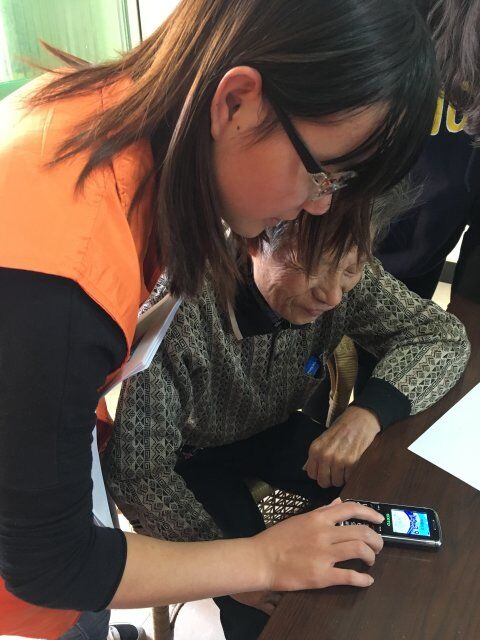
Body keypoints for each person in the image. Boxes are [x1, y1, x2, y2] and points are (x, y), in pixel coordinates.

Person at [0, 1, 438, 638]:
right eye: (323, 174)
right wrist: (263, 560)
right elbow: (49, 561)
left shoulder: (109, 121)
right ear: (237, 102)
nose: (320, 207)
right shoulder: (61, 281)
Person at [104, 223, 469, 640]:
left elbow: (442, 337)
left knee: (387, 503)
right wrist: (232, 568)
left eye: (350, 270)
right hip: (186, 459)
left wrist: (367, 413)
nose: (333, 296)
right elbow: (135, 469)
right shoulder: (183, 306)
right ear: (253, 240)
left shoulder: (347, 273)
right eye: (311, 267)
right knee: (262, 609)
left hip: (271, 428)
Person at [356, 0, 480, 392]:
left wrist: (466, 311)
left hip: (420, 259)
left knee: (382, 386)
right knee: (310, 381)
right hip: (335, 241)